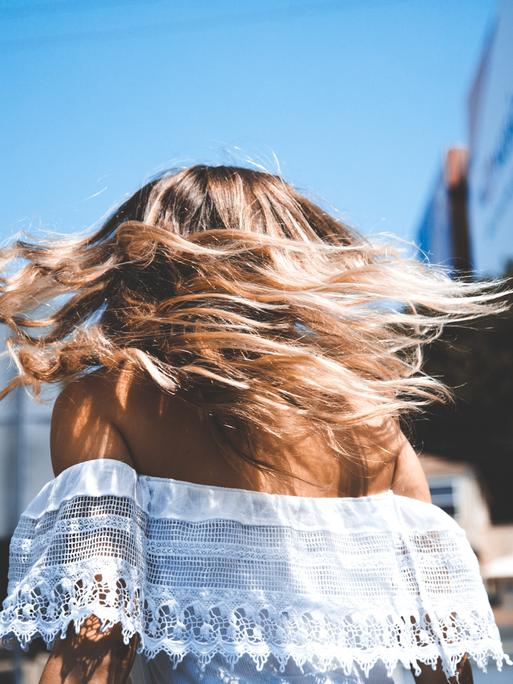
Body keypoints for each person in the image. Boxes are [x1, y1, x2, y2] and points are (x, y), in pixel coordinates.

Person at [0, 164, 511, 684]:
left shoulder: (110, 400)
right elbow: (443, 661)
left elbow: (97, 648)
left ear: (144, 260)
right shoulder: (369, 415)